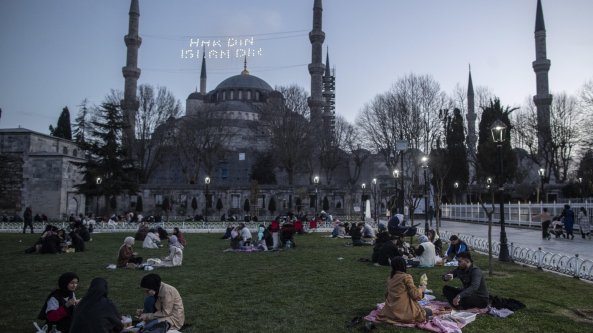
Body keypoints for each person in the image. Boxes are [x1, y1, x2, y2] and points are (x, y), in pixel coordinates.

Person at [376, 257, 431, 324]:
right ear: (404, 265)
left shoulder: (390, 278)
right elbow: (415, 295)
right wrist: (421, 288)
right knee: (429, 311)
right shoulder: (406, 277)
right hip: (404, 313)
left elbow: (386, 295)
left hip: (390, 312)